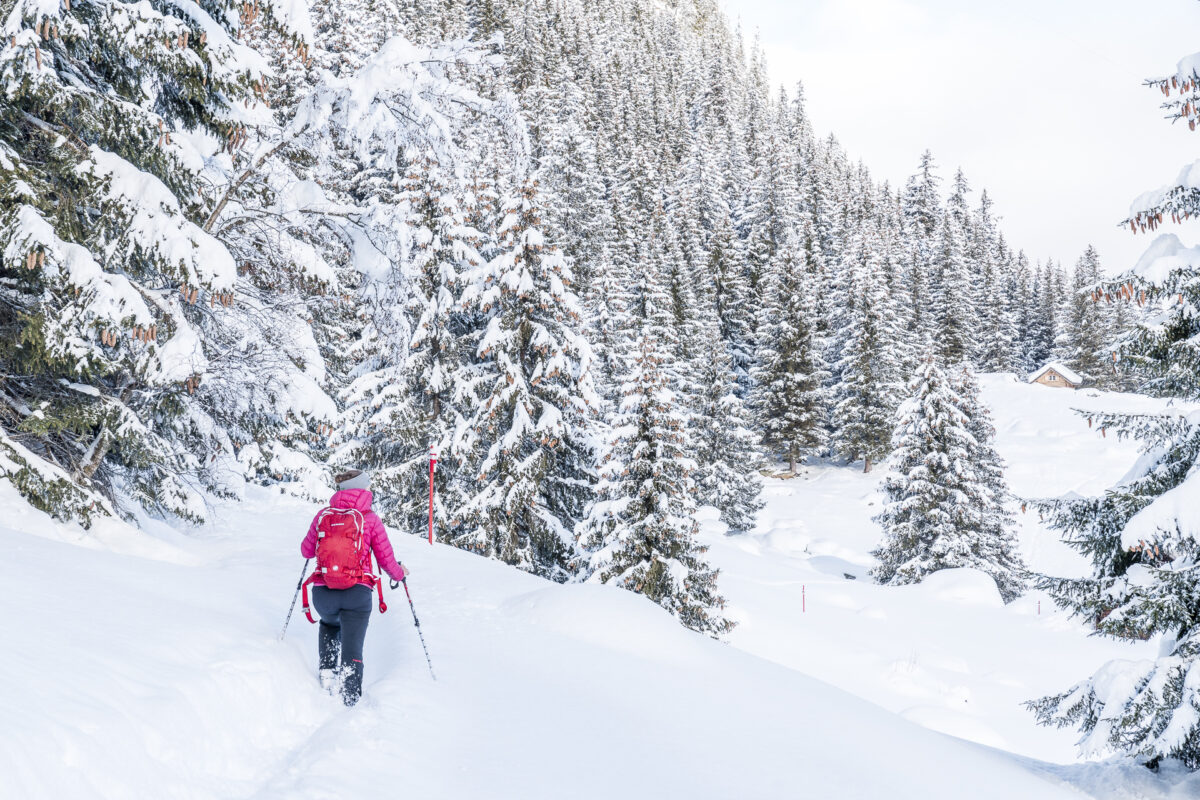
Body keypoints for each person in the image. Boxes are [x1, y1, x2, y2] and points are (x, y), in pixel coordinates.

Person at [301, 469, 408, 705]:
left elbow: (306, 551)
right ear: (362, 489)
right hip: (356, 595)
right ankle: (350, 699)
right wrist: (400, 574)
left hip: (323, 592)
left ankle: (327, 674)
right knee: (353, 646)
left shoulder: (323, 515)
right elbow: (386, 561)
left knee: (329, 624)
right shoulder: (369, 519)